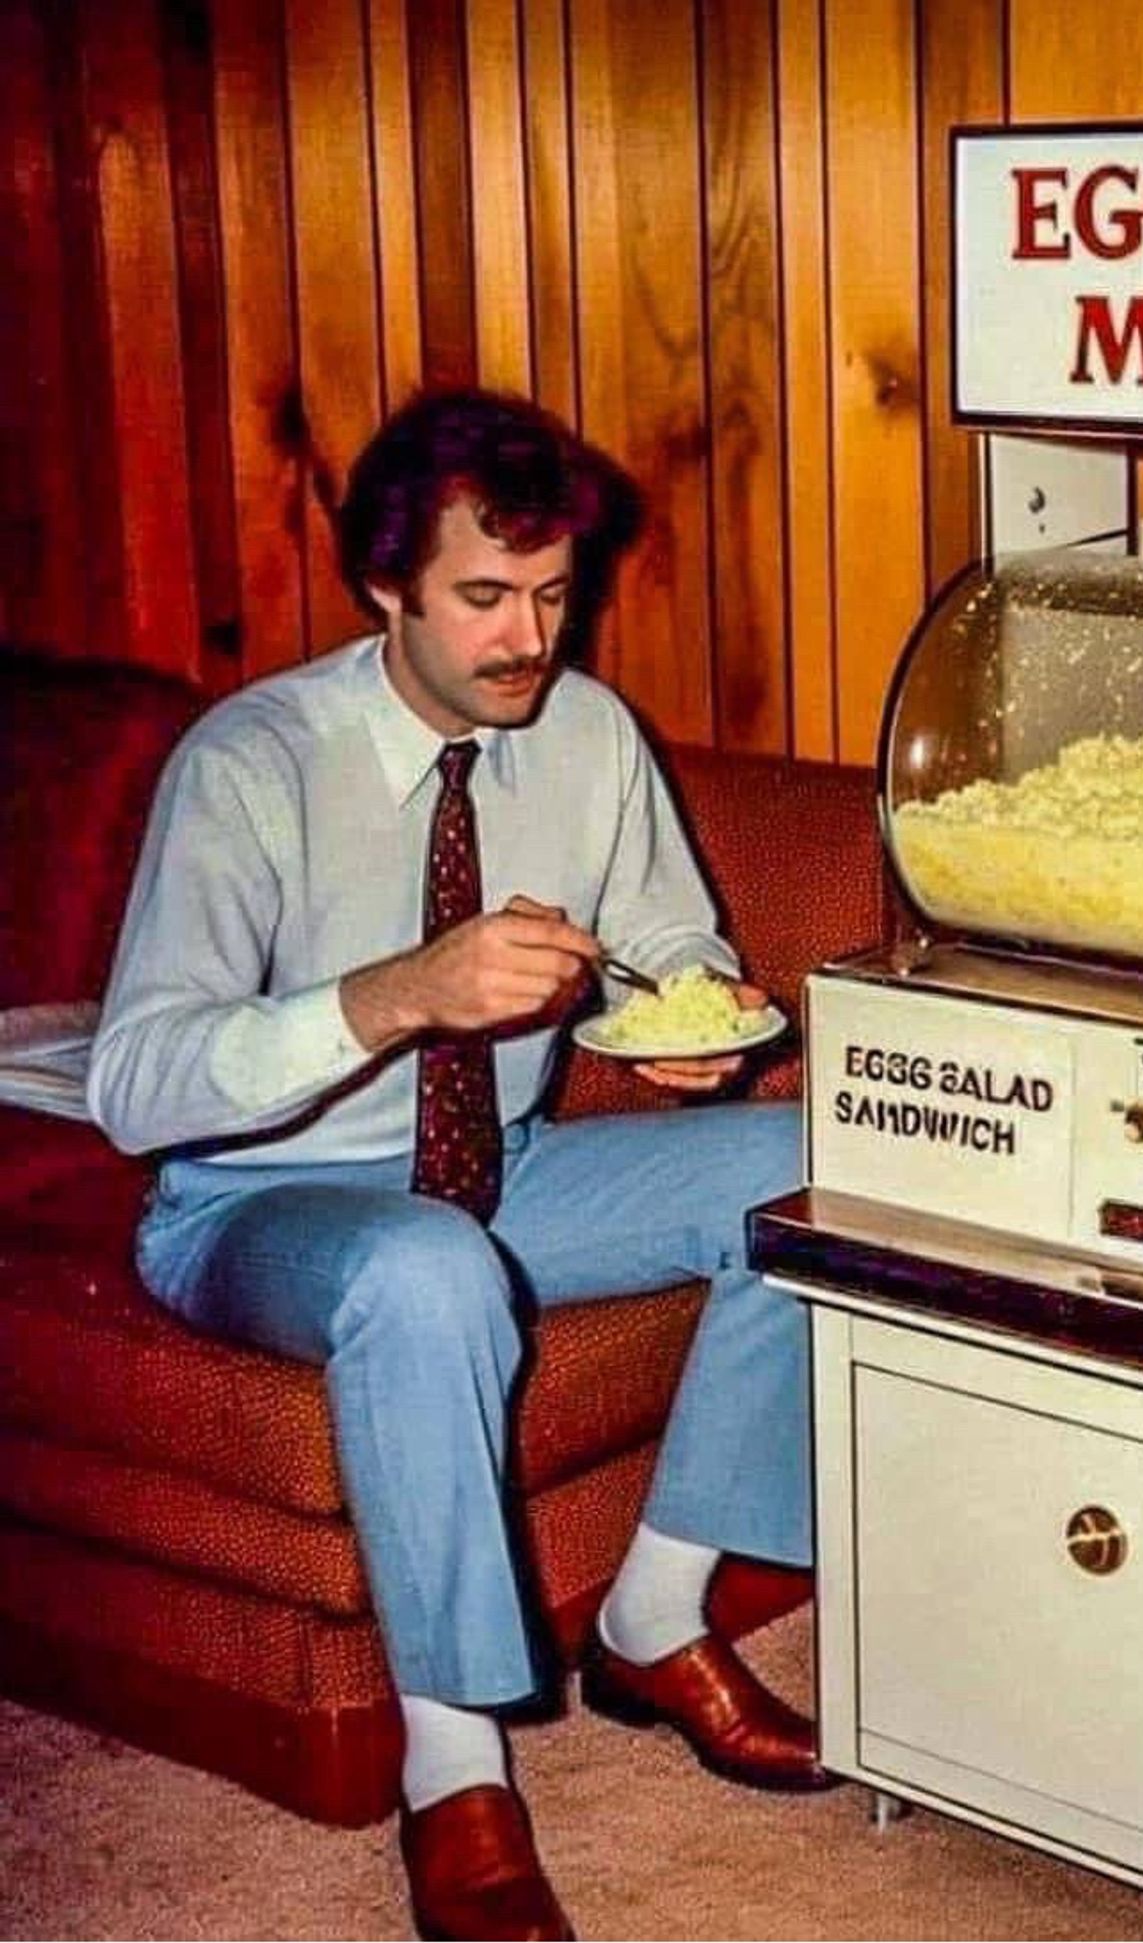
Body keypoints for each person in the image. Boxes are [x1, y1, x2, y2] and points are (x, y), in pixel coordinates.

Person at [87, 387, 834, 1943]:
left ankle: (653, 1618)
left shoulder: (583, 733)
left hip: (504, 1165)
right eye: (484, 597)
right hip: (260, 1199)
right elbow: (139, 1084)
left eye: (554, 596)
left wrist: (671, 1017)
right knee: (421, 1269)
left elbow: (668, 930)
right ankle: (455, 1773)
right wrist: (396, 994)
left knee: (810, 1172)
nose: (529, 638)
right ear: (385, 588)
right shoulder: (253, 763)